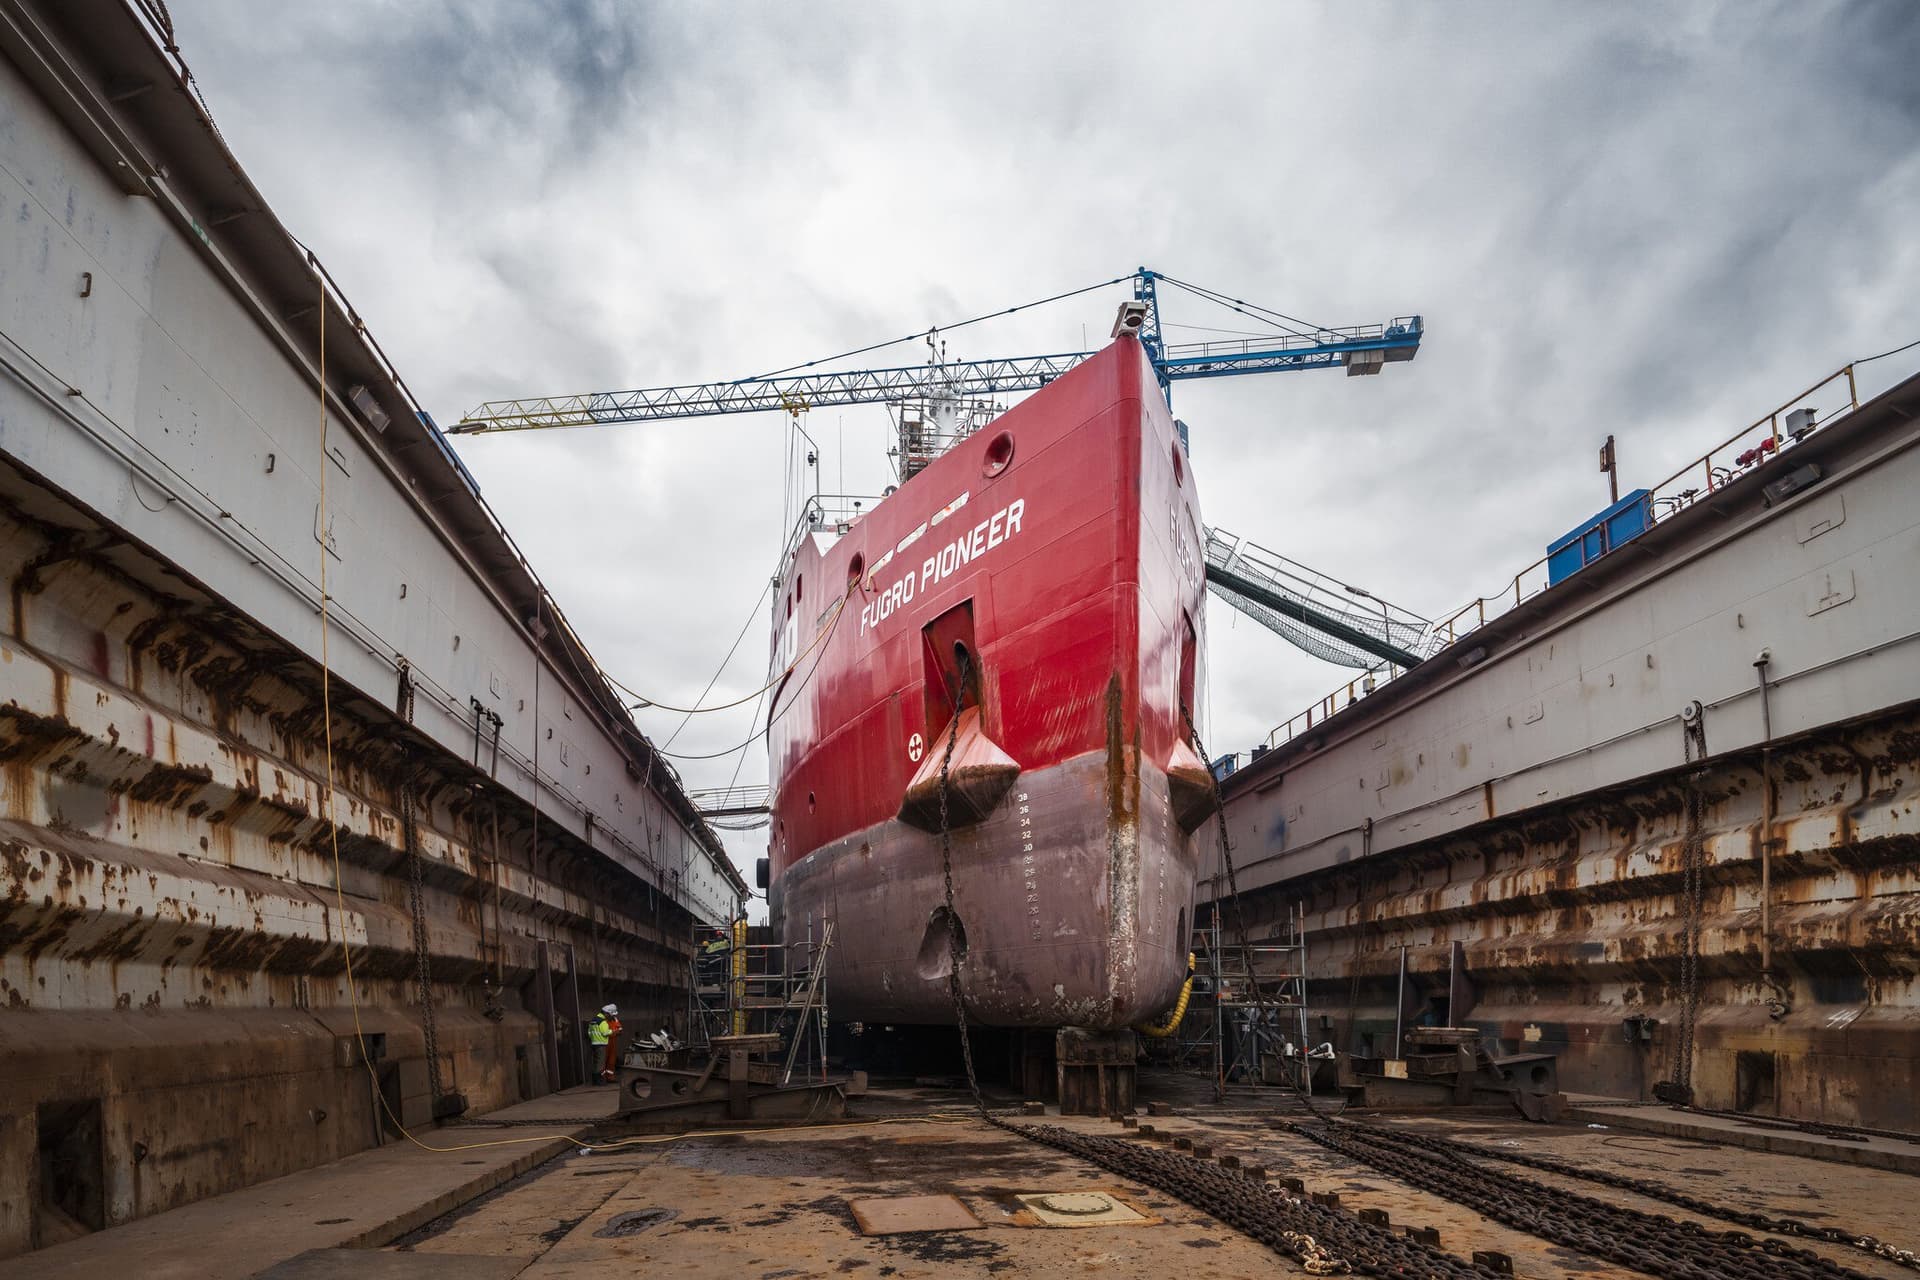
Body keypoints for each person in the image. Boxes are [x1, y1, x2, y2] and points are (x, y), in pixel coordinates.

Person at [587, 1004, 622, 1082]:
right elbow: (605, 1032)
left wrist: (594, 1039)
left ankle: (598, 1079)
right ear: (607, 1013)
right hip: (602, 1043)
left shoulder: (594, 1020)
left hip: (595, 1043)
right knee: (601, 1064)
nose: (610, 1016)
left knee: (597, 1063)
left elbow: (589, 1033)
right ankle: (599, 1080)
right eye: (610, 1014)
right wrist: (614, 1031)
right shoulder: (602, 1021)